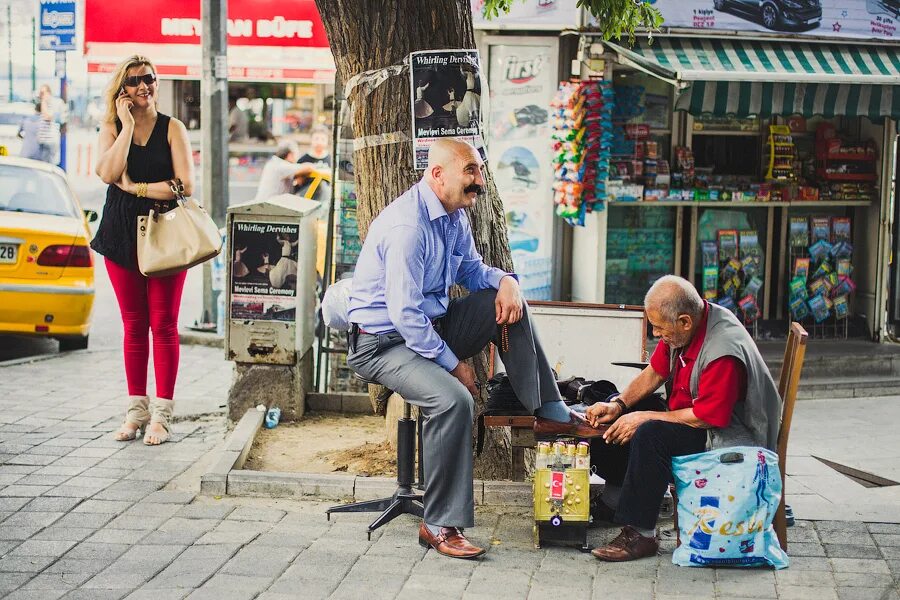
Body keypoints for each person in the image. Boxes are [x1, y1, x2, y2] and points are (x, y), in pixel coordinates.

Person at [346, 138, 605, 560]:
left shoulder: (453, 216)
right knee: (453, 401)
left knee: (506, 302)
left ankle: (548, 408)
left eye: (479, 171)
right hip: (382, 342)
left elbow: (469, 270)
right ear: (438, 174)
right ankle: (438, 524)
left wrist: (506, 280)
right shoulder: (407, 228)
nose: (478, 181)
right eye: (470, 171)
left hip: (429, 326)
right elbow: (406, 316)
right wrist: (454, 366)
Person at [584, 275, 782, 562]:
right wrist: (618, 405)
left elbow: (707, 417)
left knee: (651, 434)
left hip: (730, 439)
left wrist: (643, 418)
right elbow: (655, 372)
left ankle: (640, 533)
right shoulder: (685, 327)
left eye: (659, 328)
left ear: (685, 321)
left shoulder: (722, 351)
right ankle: (615, 500)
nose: (655, 334)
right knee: (621, 419)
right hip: (701, 420)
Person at [90, 55, 195, 446]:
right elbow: (105, 173)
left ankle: (162, 416)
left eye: (149, 78)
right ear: (122, 91)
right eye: (134, 81)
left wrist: (135, 187)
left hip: (165, 235)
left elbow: (184, 186)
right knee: (133, 325)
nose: (144, 86)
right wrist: (127, 125)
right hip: (120, 234)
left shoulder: (174, 128)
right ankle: (136, 411)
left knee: (164, 324)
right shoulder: (112, 126)